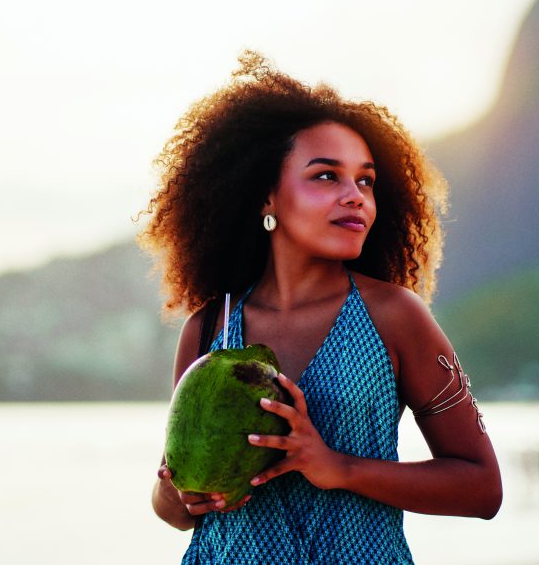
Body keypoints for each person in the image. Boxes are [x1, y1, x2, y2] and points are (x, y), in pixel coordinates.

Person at [140, 52, 503, 564]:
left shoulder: (394, 317)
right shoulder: (209, 328)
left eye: (366, 181)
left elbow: (481, 487)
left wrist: (339, 468)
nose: (355, 196)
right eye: (327, 176)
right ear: (266, 197)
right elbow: (174, 507)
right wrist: (178, 494)